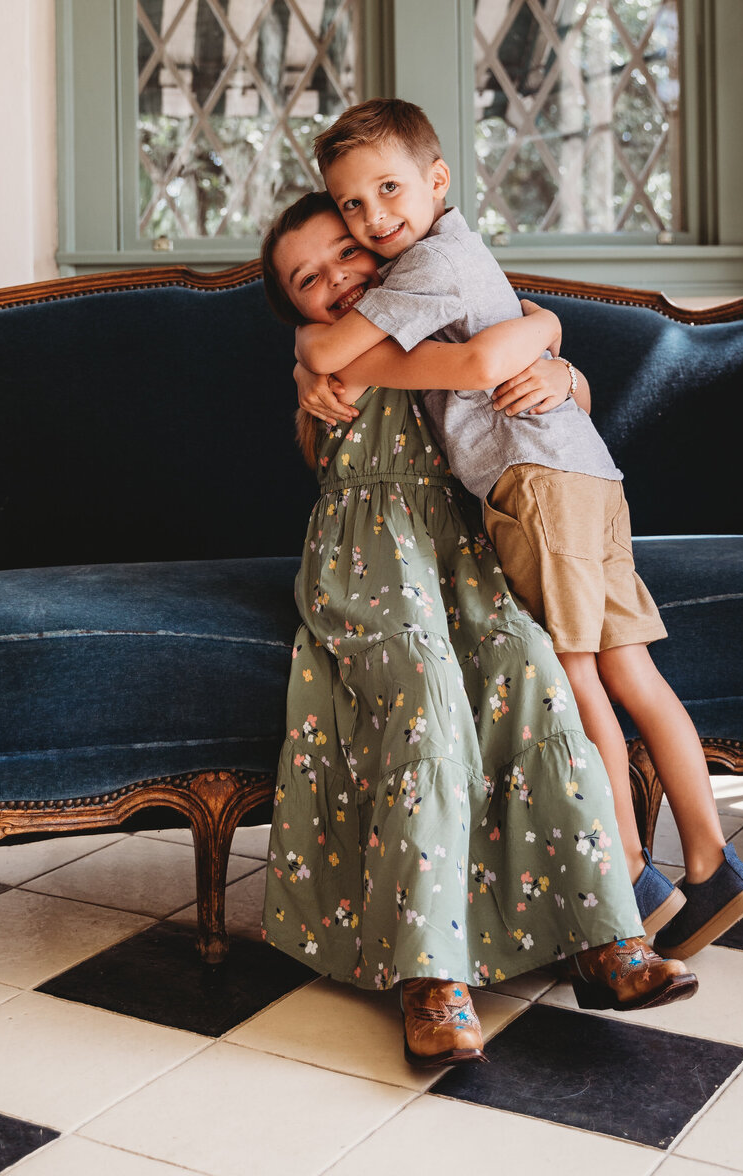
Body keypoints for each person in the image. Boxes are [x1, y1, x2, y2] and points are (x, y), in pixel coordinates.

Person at [295, 99, 743, 964]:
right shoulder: (453, 252)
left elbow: (358, 355)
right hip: (587, 475)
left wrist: (308, 349)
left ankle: (627, 866)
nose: (375, 217)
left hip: (535, 484)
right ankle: (713, 861)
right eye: (354, 205)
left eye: (389, 190)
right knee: (635, 672)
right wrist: (546, 331)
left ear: (438, 179)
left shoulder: (426, 266)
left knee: (574, 674)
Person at [260, 191, 697, 1069]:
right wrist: (313, 369)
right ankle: (433, 976)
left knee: (530, 662)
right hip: (370, 551)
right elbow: (352, 377)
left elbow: (521, 373)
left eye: (347, 254)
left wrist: (553, 348)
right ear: (297, 309)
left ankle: (604, 934)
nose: (337, 279)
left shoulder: (435, 309)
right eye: (309, 279)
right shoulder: (333, 358)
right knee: (423, 687)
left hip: (464, 542)